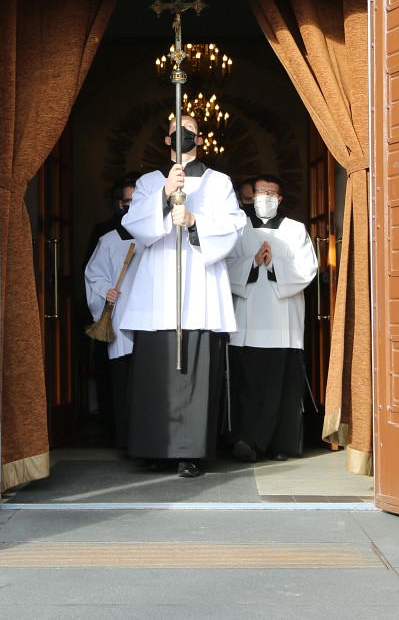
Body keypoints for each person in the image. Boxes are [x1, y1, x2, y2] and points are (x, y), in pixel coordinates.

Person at [120, 114, 245, 477]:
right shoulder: (149, 181)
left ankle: (191, 451)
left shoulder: (218, 182)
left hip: (200, 285)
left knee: (194, 372)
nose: (184, 134)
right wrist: (164, 194)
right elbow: (134, 225)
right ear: (167, 139)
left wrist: (193, 222)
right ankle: (154, 447)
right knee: (156, 371)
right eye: (177, 130)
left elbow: (235, 226)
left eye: (190, 130)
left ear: (200, 139)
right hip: (158, 287)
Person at [226, 175, 317, 463]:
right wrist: (252, 262)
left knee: (281, 386)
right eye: (260, 192)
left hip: (282, 322)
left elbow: (308, 270)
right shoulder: (237, 228)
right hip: (246, 322)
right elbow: (223, 267)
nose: (265, 197)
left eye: (271, 193)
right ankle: (245, 441)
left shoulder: (295, 229)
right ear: (251, 196)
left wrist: (274, 263)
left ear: (280, 199)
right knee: (248, 386)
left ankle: (279, 443)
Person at [84, 182, 145, 448]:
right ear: (121, 204)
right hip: (120, 316)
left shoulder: (155, 239)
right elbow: (93, 275)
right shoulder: (108, 241)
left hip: (150, 318)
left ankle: (149, 441)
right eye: (129, 201)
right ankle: (127, 441)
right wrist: (104, 291)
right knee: (123, 382)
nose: (134, 206)